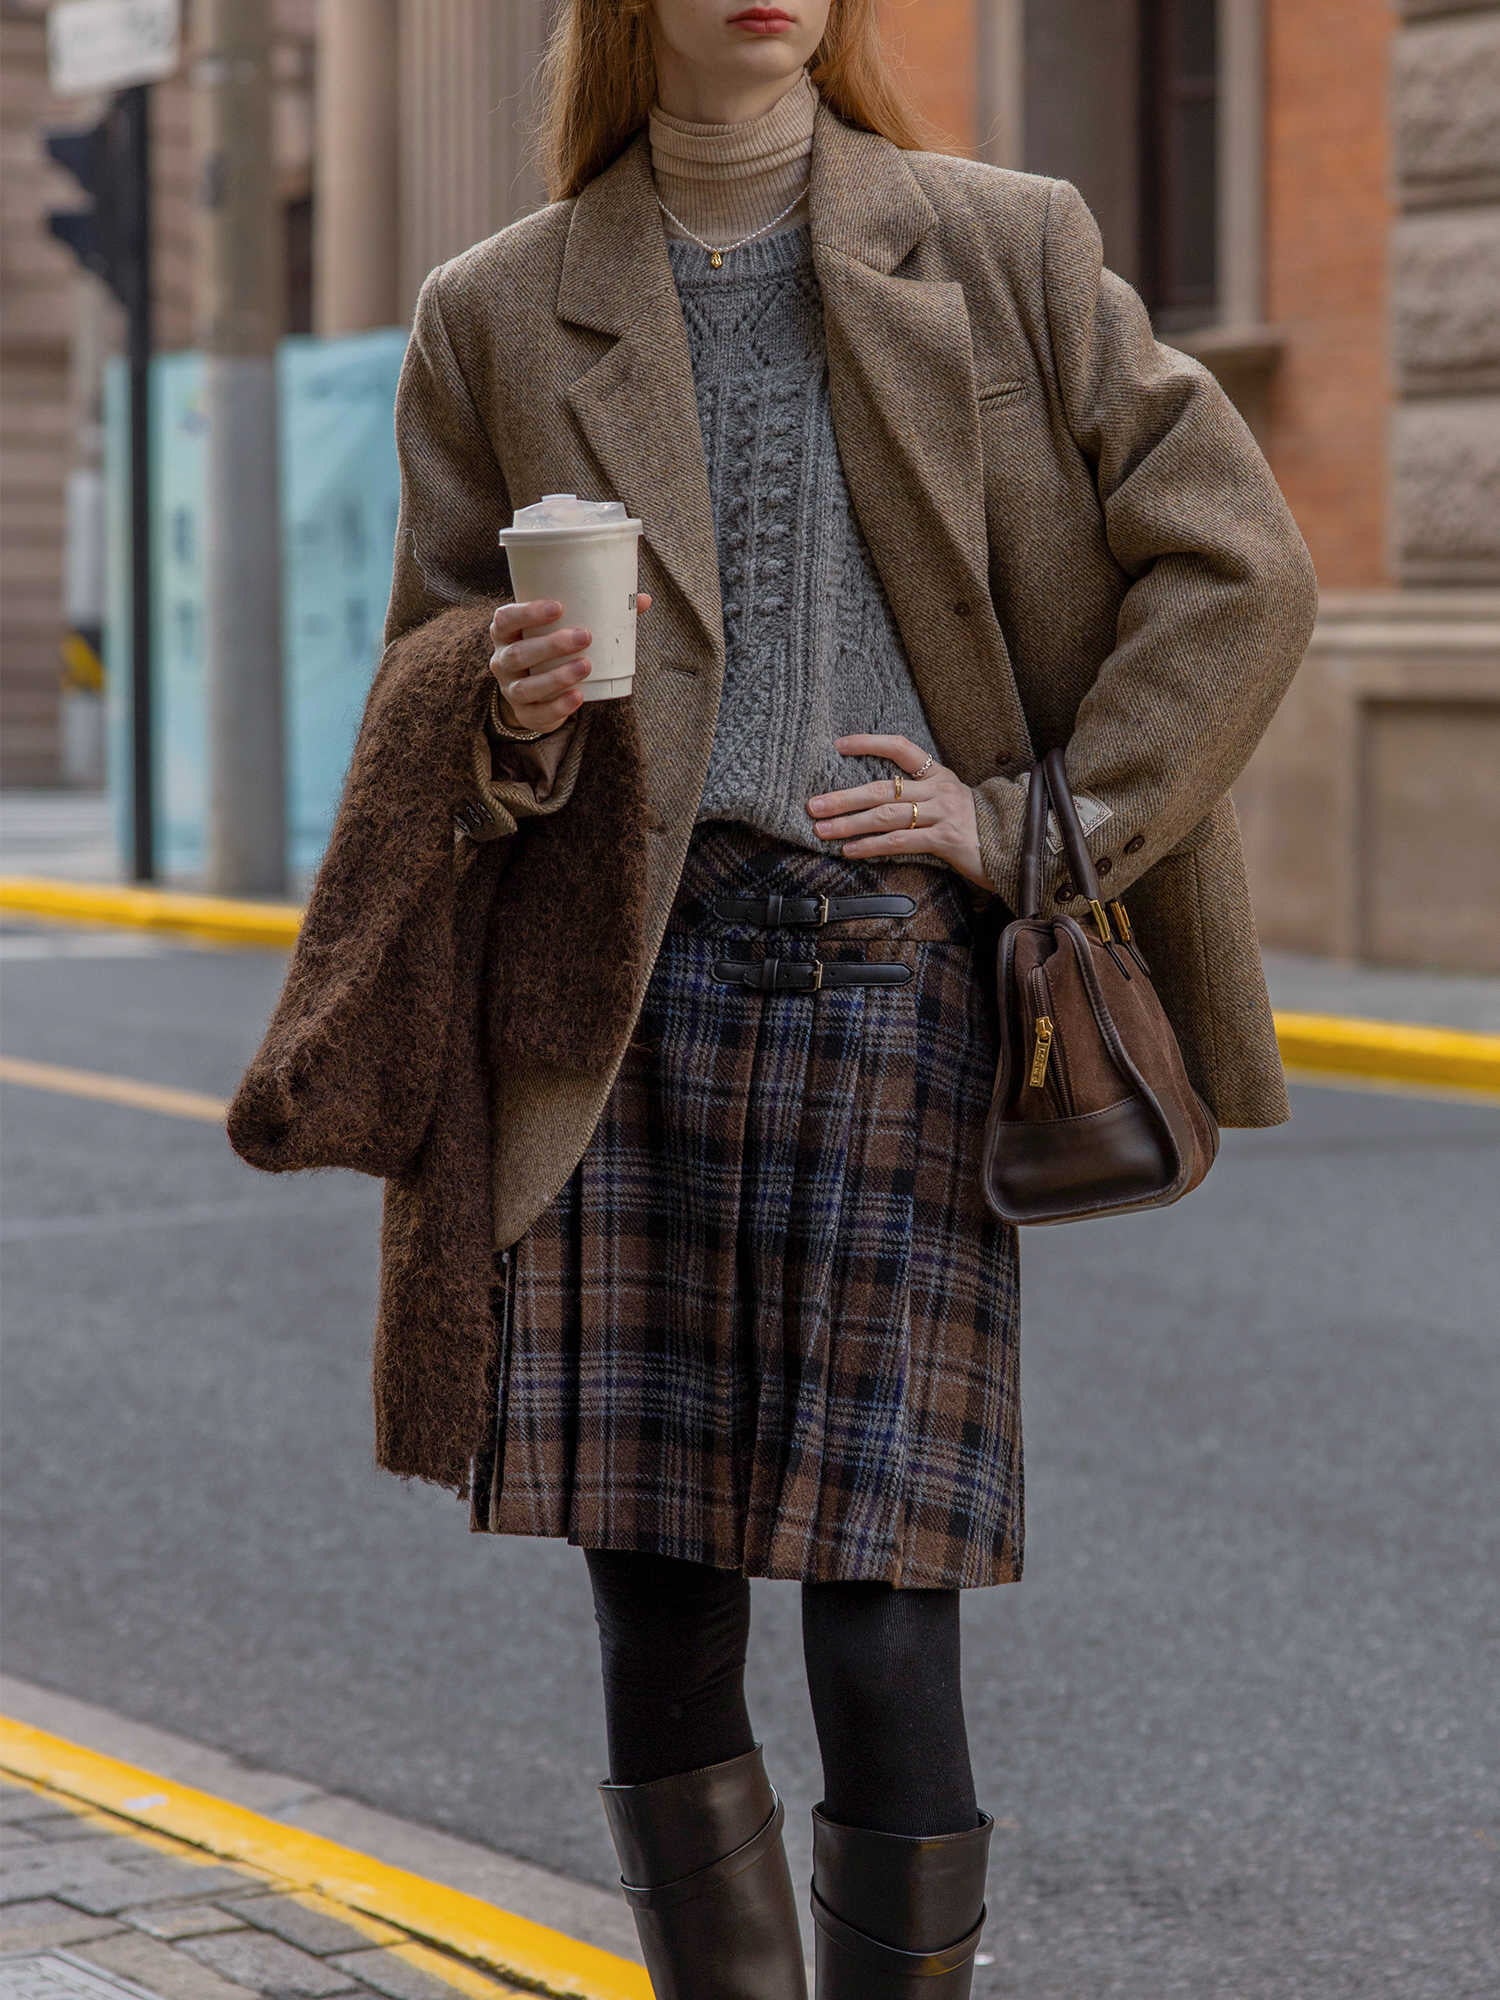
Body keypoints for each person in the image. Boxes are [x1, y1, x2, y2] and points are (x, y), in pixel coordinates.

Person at [230, 2, 1319, 1994]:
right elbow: (430, 666)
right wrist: (505, 708)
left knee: (885, 1609)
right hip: (611, 1008)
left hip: (886, 989)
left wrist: (1036, 824)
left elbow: (1239, 562)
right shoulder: (499, 307)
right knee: (656, 1606)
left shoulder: (1001, 243)